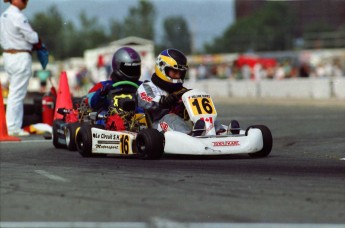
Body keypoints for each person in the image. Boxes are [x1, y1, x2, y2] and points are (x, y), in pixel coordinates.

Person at [136, 48, 227, 136]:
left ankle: (219, 131)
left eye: (181, 72)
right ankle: (189, 135)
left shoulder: (181, 90)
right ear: (162, 68)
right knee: (171, 117)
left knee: (203, 115)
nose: (178, 75)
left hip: (180, 124)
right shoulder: (148, 86)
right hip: (156, 126)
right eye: (175, 71)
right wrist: (164, 101)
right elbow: (145, 100)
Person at [0, 0, 47, 136]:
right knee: (17, 93)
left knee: (14, 92)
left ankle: (11, 125)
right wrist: (38, 41)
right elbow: (32, 38)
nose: (26, 1)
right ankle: (13, 127)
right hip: (20, 55)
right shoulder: (18, 16)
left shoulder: (4, 16)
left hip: (8, 56)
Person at [86, 47, 142, 127]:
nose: (132, 71)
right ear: (117, 66)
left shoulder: (143, 86)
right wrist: (101, 94)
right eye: (128, 68)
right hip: (109, 127)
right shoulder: (104, 86)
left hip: (139, 123)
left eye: (135, 68)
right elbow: (88, 101)